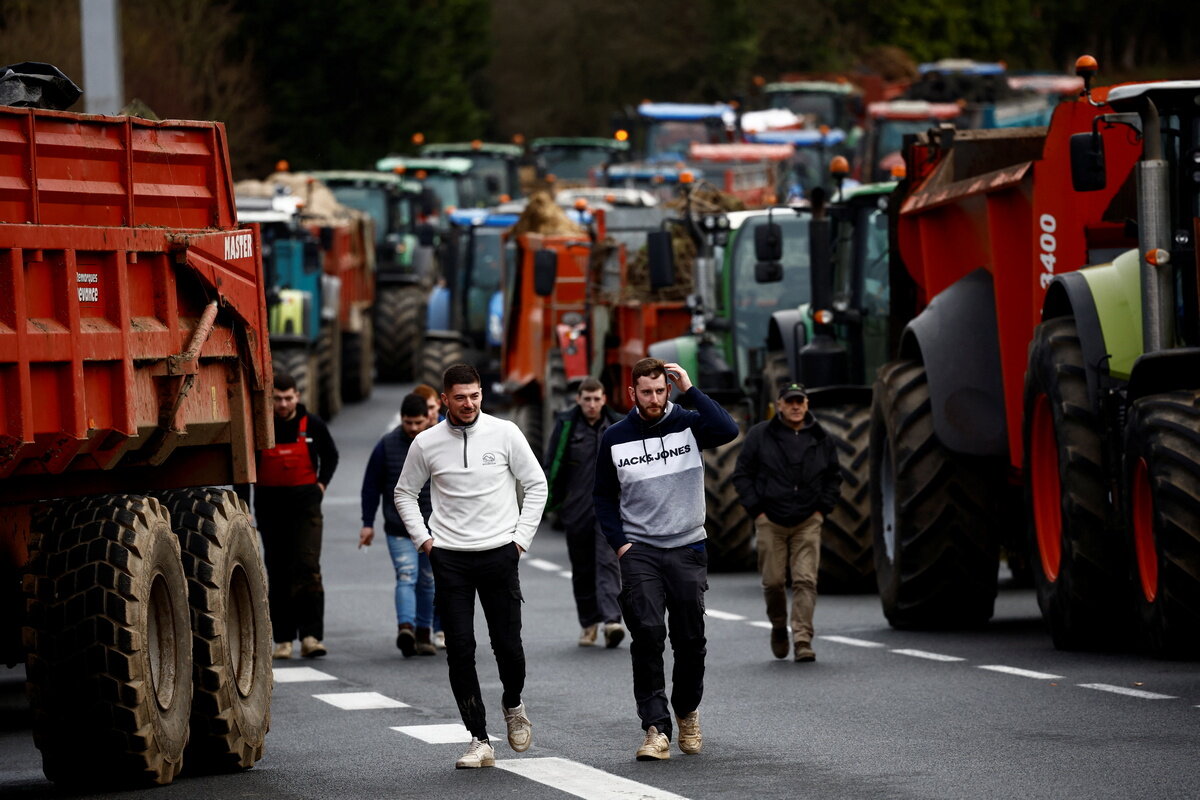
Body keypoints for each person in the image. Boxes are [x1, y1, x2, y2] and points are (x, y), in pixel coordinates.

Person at [394, 363, 548, 770]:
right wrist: (425, 542)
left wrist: (520, 540)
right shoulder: (426, 443)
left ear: (482, 394)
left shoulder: (506, 432)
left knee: (509, 648)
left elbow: (536, 484)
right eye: (460, 397)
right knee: (460, 650)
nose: (468, 404)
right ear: (444, 399)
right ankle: (479, 739)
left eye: (475, 396)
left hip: (500, 553)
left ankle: (513, 704)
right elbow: (404, 493)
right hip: (450, 559)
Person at [593, 357, 738, 761]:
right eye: (646, 392)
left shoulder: (690, 424)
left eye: (660, 391)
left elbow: (729, 429)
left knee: (690, 639)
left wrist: (691, 388)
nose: (654, 399)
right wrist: (621, 543)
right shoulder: (615, 437)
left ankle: (688, 710)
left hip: (688, 546)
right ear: (632, 393)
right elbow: (603, 497)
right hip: (641, 551)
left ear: (668, 389)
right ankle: (656, 728)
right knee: (648, 634)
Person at [731, 382, 842, 663]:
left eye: (800, 401)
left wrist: (821, 511)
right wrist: (757, 511)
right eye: (790, 401)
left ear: (806, 404)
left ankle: (803, 639)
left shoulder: (821, 438)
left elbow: (833, 477)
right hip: (770, 520)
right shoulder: (760, 435)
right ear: (779, 405)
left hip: (808, 521)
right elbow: (742, 474)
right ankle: (779, 626)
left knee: (806, 580)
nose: (795, 406)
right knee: (773, 582)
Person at [256, 372, 339, 659]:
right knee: (277, 570)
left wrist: (321, 485)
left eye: (288, 398)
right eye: (277, 399)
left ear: (297, 397)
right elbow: (246, 467)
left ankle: (312, 636)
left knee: (307, 567)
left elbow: (331, 456)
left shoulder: (312, 424)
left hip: (306, 506)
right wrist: (243, 502)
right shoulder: (260, 427)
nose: (283, 404)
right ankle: (283, 640)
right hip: (270, 505)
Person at [544, 377, 625, 648]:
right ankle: (588, 624)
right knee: (582, 568)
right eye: (587, 399)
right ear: (578, 399)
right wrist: (552, 502)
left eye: (596, 399)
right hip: (575, 506)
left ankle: (612, 621)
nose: (591, 404)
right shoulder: (567, 425)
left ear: (604, 400)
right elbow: (552, 462)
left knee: (607, 561)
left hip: (608, 507)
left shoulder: (616, 425)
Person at [360, 393, 438, 657]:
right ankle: (406, 628)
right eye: (408, 423)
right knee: (406, 576)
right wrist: (367, 523)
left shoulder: (439, 442)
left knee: (428, 582)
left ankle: (424, 634)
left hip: (434, 528)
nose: (414, 428)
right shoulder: (386, 445)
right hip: (399, 528)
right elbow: (371, 486)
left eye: (418, 423)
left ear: (427, 418)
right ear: (401, 419)